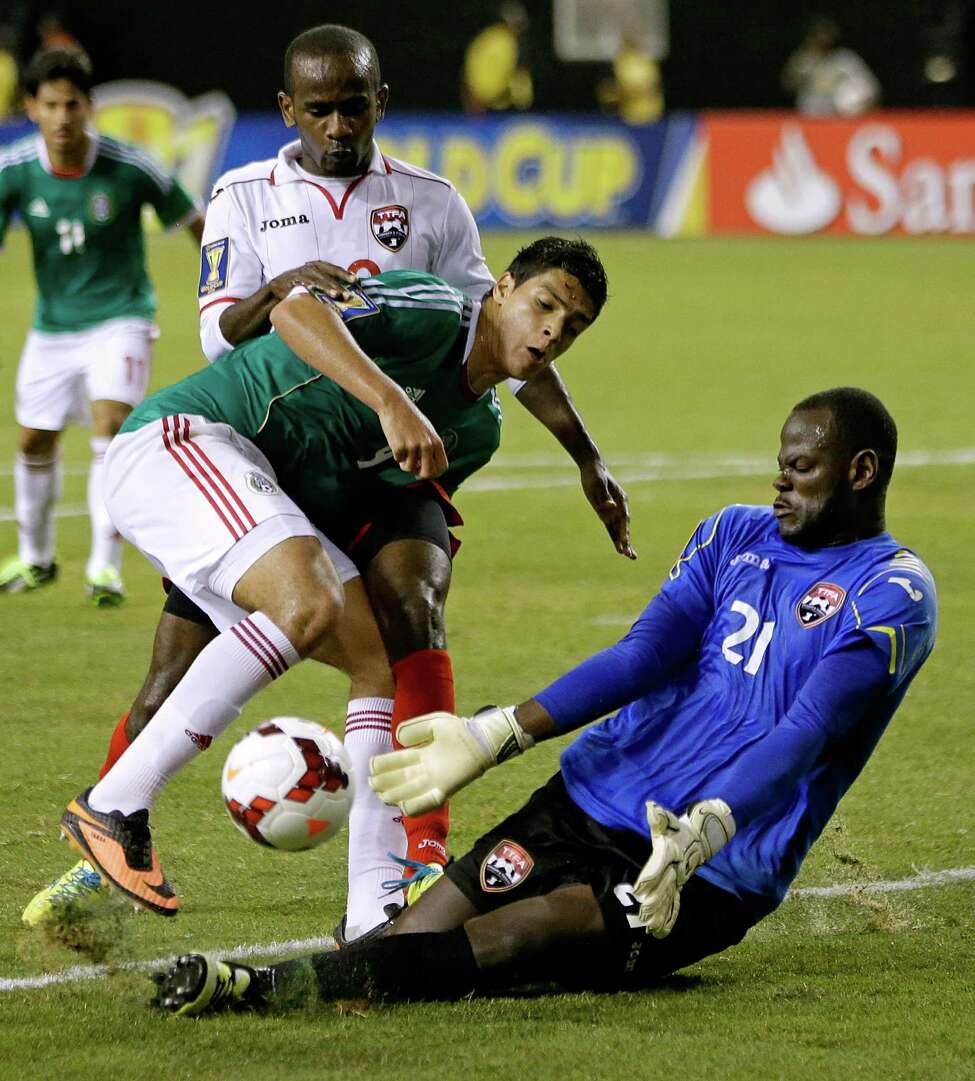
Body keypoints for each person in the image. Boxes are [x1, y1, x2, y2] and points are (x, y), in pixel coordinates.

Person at [23, 26, 632, 938]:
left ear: (380, 103)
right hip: (234, 442)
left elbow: (501, 338)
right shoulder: (247, 195)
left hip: (342, 470)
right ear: (290, 111)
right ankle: (101, 835)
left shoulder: (433, 215)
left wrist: (585, 456)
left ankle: (386, 889)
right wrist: (368, 380)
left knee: (396, 625)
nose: (341, 124)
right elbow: (238, 327)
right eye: (321, 108)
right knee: (173, 668)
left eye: (356, 104)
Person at [147, 387, 938, 1014]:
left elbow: (806, 731)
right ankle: (323, 980)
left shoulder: (890, 592)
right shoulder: (734, 533)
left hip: (711, 865)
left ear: (858, 472)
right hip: (592, 792)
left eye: (799, 468)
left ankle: (256, 988)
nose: (779, 481)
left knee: (523, 933)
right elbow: (644, 653)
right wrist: (498, 733)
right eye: (780, 462)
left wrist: (705, 829)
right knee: (417, 933)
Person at [55, 237, 608, 926]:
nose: (553, 329)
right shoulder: (433, 308)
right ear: (501, 290)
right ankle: (114, 805)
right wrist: (391, 401)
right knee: (301, 604)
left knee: (377, 659)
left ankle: (372, 907)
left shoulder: (475, 429)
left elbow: (367, 508)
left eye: (572, 324)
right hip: (187, 441)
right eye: (544, 304)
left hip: (260, 502)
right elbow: (295, 310)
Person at [0, 46, 203, 604]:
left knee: (108, 428)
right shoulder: (14, 171)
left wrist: (227, 288)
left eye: (72, 104)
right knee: (34, 439)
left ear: (90, 107)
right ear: (31, 108)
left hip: (122, 318)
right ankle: (37, 558)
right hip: (53, 327)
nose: (63, 117)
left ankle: (103, 568)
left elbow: (196, 222)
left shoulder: (132, 166)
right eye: (51, 105)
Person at [782, 17, 880, 117]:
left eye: (826, 36)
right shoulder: (804, 59)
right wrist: (800, 75)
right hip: (810, 115)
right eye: (817, 36)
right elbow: (788, 85)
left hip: (840, 116)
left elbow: (870, 89)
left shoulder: (845, 59)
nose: (822, 41)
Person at [462, 2, 533, 114]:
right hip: (490, 104)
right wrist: (481, 95)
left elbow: (520, 78)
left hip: (507, 107)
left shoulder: (515, 43)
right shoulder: (496, 40)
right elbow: (476, 69)